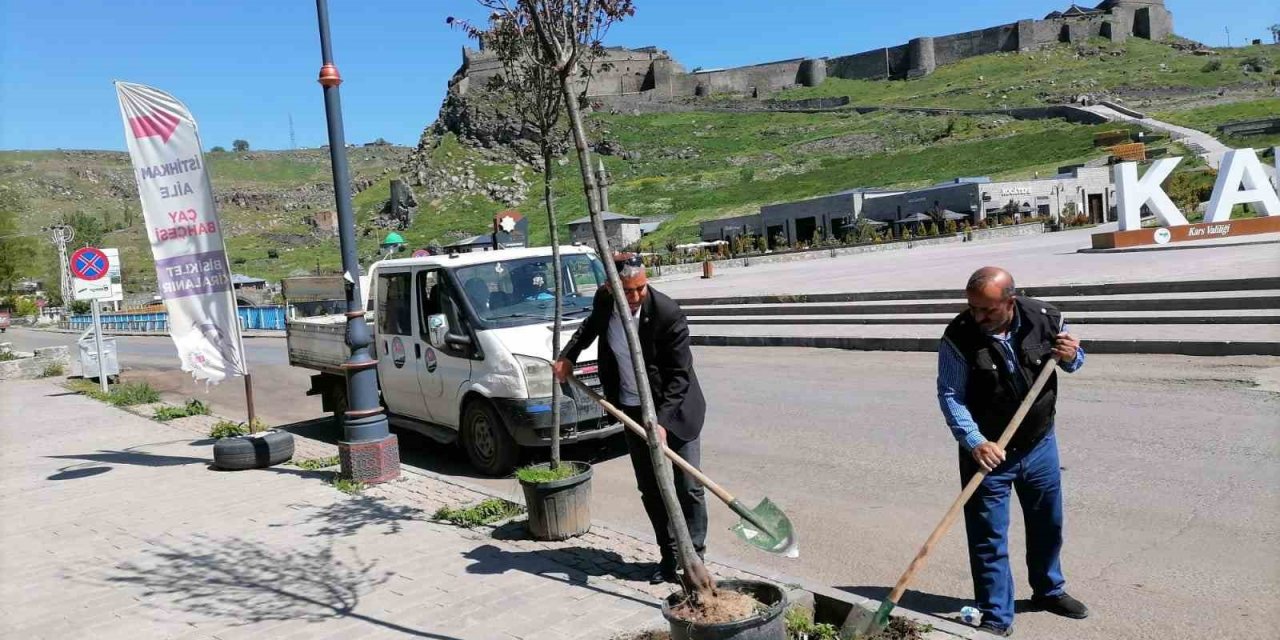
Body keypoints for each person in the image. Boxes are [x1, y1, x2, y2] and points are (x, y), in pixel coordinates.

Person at [936, 266, 1089, 637]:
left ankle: (1048, 590)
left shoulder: (1046, 318)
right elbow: (951, 395)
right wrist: (975, 442)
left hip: (1039, 443)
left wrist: (1073, 356)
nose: (978, 317)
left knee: (1047, 524)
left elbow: (1073, 361)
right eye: (973, 308)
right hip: (988, 453)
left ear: (1010, 301)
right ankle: (995, 616)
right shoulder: (959, 336)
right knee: (988, 537)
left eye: (987, 310)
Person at [553, 253, 707, 585]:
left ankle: (694, 557)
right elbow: (588, 328)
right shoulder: (606, 301)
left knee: (688, 486)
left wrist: (662, 422)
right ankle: (668, 557)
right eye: (628, 291)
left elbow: (680, 376)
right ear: (611, 287)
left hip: (675, 411)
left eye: (640, 289)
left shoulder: (667, 313)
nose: (635, 297)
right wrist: (568, 357)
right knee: (650, 488)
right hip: (631, 408)